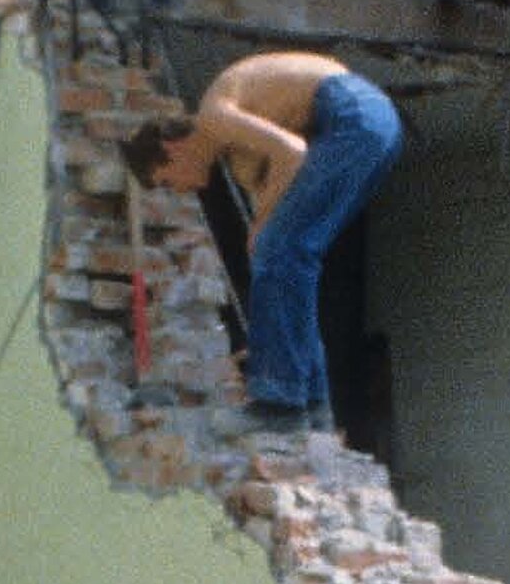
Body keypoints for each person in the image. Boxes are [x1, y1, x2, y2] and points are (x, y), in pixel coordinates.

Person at [147, 44, 404, 436]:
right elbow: (269, 206)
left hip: (353, 113)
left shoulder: (214, 116)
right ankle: (312, 405)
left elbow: (292, 151)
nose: (178, 189)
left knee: (279, 251)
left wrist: (263, 229)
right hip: (375, 125)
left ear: (170, 149)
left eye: (167, 180)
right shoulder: (237, 154)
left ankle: (279, 399)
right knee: (289, 259)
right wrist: (273, 336)